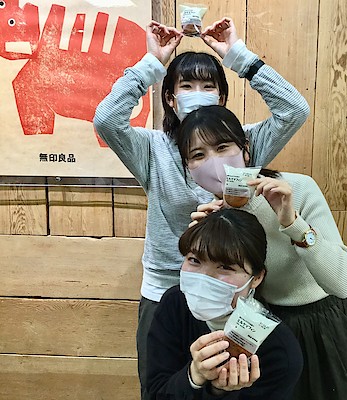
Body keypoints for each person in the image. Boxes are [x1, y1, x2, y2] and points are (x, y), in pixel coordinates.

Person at [93, 17, 309, 398]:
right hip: (167, 286)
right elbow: (106, 120)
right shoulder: (153, 149)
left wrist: (237, 56)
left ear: (221, 98)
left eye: (209, 86)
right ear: (170, 98)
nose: (198, 94)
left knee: (233, 386)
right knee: (164, 387)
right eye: (187, 86)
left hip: (230, 291)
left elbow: (294, 110)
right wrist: (152, 63)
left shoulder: (241, 145)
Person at [177, 105, 347, 400]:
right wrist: (204, 251)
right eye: (198, 155)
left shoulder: (296, 190)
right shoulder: (212, 215)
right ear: (188, 167)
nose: (213, 162)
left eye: (222, 147)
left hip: (321, 324)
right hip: (260, 327)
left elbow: (343, 283)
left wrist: (293, 223)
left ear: (245, 149)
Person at [146, 208, 304, 399]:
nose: (204, 278)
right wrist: (194, 376)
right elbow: (155, 392)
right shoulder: (174, 304)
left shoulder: (279, 350)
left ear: (256, 277)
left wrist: (220, 391)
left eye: (225, 267)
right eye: (194, 260)